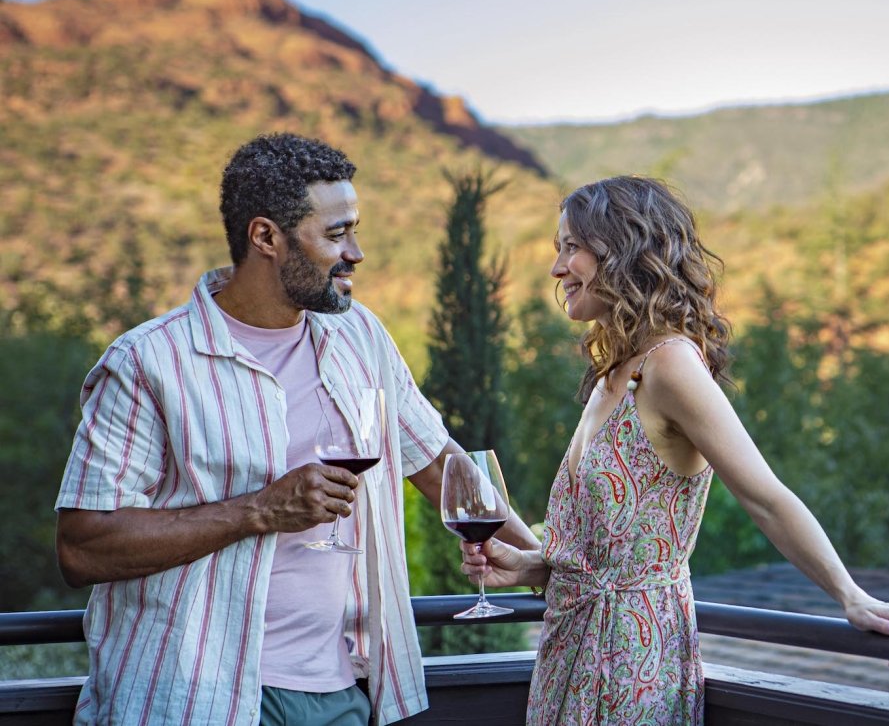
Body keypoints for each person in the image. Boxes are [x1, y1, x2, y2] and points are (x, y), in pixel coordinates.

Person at [54, 132, 537, 726]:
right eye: (336, 234)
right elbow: (81, 547)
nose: (356, 252)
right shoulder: (147, 362)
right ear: (266, 238)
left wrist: (542, 569)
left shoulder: (361, 336)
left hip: (337, 693)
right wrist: (259, 511)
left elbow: (442, 465)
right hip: (187, 697)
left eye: (354, 230)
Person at [468, 175, 889, 724]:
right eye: (557, 249)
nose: (557, 268)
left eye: (572, 248)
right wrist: (529, 566)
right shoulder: (615, 372)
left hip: (632, 664)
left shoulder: (671, 367)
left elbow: (765, 497)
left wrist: (850, 595)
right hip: (567, 652)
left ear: (623, 251)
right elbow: (613, 548)